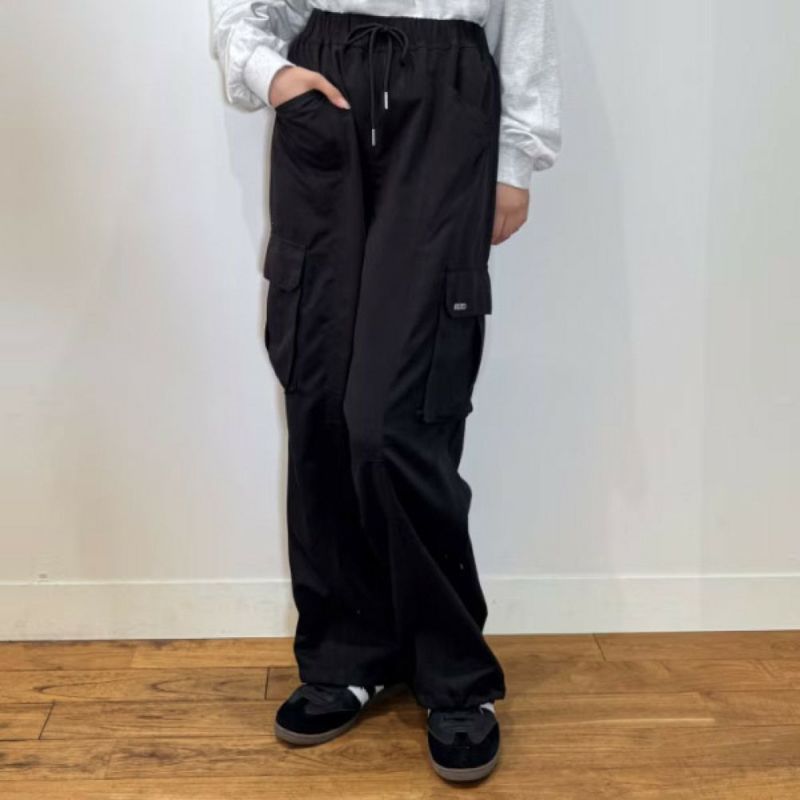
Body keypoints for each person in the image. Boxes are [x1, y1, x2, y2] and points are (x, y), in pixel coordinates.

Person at [209, 0, 561, 782]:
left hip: (447, 105)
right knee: (320, 396)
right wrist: (273, 75)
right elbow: (242, 11)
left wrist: (516, 158)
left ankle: (454, 673)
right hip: (325, 89)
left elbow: (525, 17)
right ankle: (345, 654)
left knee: (395, 416)